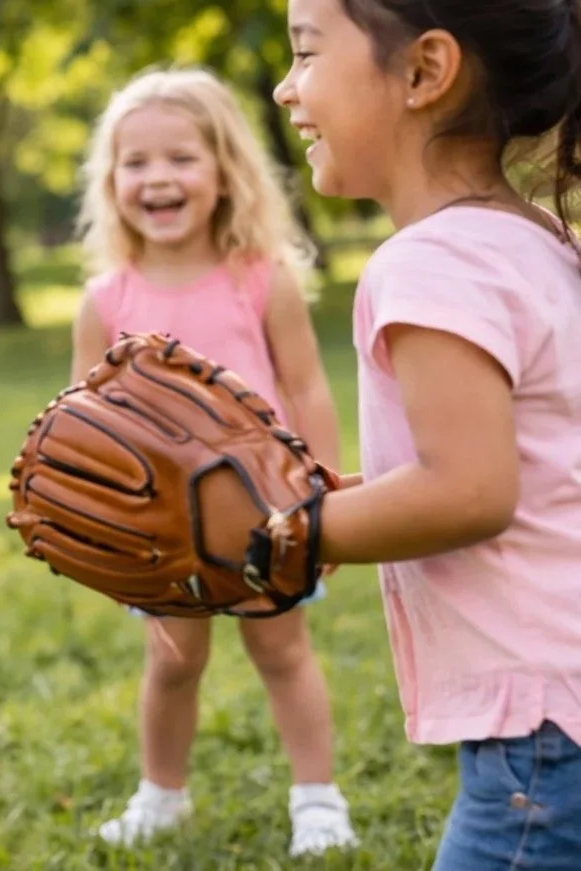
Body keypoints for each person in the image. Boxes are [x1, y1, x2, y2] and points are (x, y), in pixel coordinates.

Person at [273, 0, 581, 867]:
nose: (285, 88)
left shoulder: (430, 262)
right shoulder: (539, 241)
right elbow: (522, 465)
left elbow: (469, 490)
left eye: (306, 53)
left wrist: (285, 534)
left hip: (543, 730)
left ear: (423, 72)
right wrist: (346, 502)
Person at [70, 65, 358, 857]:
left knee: (282, 650)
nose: (157, 177)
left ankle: (319, 800)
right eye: (136, 162)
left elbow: (307, 389)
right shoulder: (105, 301)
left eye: (181, 158)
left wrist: (323, 504)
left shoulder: (261, 282)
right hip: (161, 526)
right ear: (112, 180)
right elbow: (83, 429)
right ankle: (162, 796)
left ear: (226, 172)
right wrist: (103, 526)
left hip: (267, 511)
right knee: (172, 661)